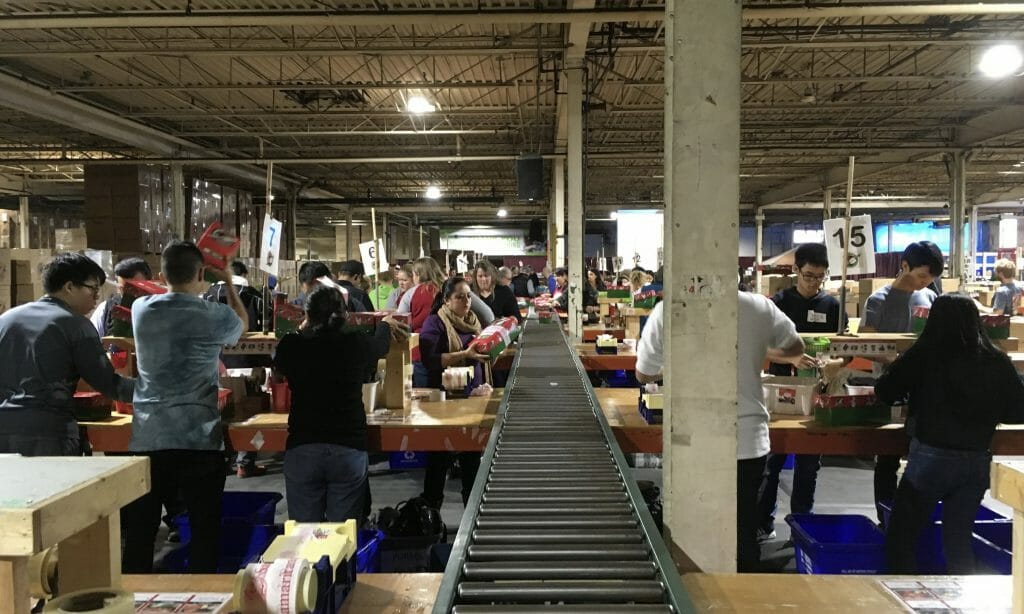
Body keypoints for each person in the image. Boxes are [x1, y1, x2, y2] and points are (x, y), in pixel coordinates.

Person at [636, 292, 804, 572]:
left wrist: (676, 368)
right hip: (749, 440)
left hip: (692, 441)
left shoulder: (668, 310)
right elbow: (796, 348)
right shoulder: (760, 306)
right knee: (743, 530)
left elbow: (643, 373)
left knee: (688, 534)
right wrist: (755, 351)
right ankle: (743, 596)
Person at [875, 294, 1024, 573]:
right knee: (958, 541)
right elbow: (1017, 412)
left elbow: (885, 391)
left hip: (930, 460)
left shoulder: (924, 355)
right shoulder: (996, 360)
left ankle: (902, 598)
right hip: (976, 462)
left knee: (902, 537)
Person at [122, 241, 247, 574]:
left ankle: (131, 600)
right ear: (202, 273)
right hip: (199, 438)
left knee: (140, 532)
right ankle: (204, 599)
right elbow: (241, 326)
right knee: (205, 529)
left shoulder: (141, 310)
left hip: (149, 436)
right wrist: (230, 283)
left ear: (162, 275)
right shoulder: (215, 315)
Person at [273, 286, 406, 523]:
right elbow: (381, 345)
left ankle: (306, 560)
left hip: (303, 446)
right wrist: (384, 323)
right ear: (345, 315)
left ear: (307, 314)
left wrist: (306, 323)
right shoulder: (355, 343)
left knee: (303, 534)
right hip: (347, 448)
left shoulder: (291, 346)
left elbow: (281, 363)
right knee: (341, 537)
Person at [0, 253, 134, 456]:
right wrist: (156, 389)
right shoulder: (76, 325)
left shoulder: (5, 320)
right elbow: (109, 384)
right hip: (49, 433)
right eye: (93, 290)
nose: (97, 298)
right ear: (69, 287)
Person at [757, 243, 846, 541]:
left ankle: (801, 527)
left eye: (820, 276)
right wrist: (790, 358)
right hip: (782, 391)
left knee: (809, 466)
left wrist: (837, 362)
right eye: (809, 275)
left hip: (819, 392)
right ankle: (762, 522)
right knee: (772, 463)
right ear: (796, 270)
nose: (814, 282)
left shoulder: (833, 307)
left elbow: (846, 347)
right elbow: (763, 346)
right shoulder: (778, 303)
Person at [861, 241, 944, 525]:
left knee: (923, 458)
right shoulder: (878, 301)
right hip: (890, 390)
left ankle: (916, 523)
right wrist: (899, 363)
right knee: (887, 458)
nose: (925, 284)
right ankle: (886, 520)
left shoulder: (930, 300)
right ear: (904, 266)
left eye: (930, 280)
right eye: (921, 276)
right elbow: (865, 344)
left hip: (925, 396)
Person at [418, 277, 490, 509]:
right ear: (447, 300)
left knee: (471, 460)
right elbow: (431, 361)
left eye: (469, 296)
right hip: (444, 402)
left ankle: (472, 511)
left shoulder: (473, 321)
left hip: (473, 401)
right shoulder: (435, 323)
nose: (466, 301)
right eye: (460, 297)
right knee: (439, 458)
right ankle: (431, 514)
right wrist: (465, 355)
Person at [203, 260, 269, 478]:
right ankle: (245, 462)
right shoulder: (255, 295)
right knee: (249, 412)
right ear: (244, 273)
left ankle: (224, 459)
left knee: (224, 412)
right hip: (249, 361)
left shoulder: (207, 296)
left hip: (219, 363)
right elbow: (265, 323)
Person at [91, 256, 153, 336]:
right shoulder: (105, 308)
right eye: (125, 289)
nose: (132, 294)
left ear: (150, 283)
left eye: (137, 288)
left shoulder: (162, 308)